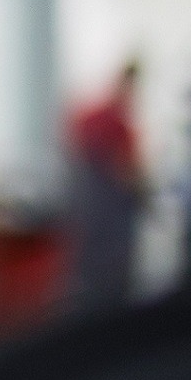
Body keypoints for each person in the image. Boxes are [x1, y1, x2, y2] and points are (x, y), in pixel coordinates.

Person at [62, 61, 146, 312]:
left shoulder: (105, 117)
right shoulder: (108, 119)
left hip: (100, 213)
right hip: (106, 215)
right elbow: (123, 168)